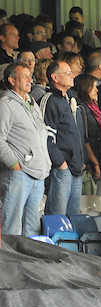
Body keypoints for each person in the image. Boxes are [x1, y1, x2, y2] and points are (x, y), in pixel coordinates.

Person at [0, 64, 51, 236]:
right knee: (12, 227)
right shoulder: (5, 105)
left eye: (30, 76)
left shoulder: (32, 103)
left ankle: (29, 263)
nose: (31, 80)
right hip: (18, 175)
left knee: (32, 229)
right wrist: (15, 165)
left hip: (38, 174)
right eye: (25, 76)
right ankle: (7, 262)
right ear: (12, 80)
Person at [42, 60, 84, 217]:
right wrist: (61, 164)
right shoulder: (50, 100)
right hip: (61, 169)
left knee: (73, 220)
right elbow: (45, 136)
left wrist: (81, 160)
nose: (72, 75)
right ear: (55, 77)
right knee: (57, 218)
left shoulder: (70, 99)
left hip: (76, 168)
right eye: (68, 73)